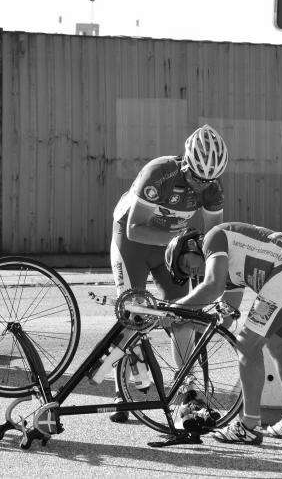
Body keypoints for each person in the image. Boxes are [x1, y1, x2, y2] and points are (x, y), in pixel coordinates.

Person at [108, 124, 228, 422]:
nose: (201, 185)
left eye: (208, 180)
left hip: (171, 248)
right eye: (196, 177)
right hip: (132, 241)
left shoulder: (211, 188)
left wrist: (207, 277)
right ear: (186, 163)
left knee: (183, 314)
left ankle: (189, 388)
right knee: (132, 315)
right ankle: (122, 388)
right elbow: (136, 228)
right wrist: (182, 241)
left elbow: (212, 238)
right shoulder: (160, 173)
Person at [165, 223, 282, 443]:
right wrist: (193, 323)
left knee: (246, 344)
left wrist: (175, 309)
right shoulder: (228, 268)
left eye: (185, 263)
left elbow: (213, 287)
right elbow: (227, 316)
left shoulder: (213, 238)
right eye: (185, 273)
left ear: (192, 245)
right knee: (278, 346)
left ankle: (249, 426)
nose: (190, 272)